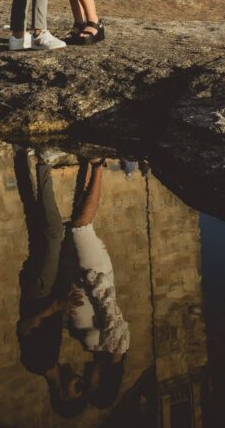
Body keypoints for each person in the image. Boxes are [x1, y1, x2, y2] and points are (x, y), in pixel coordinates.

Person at [14, 147, 87, 418]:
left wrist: (57, 305)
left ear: (62, 394)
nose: (78, 378)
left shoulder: (38, 363)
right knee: (37, 228)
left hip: (39, 291)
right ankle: (21, 156)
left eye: (77, 387)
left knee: (54, 233)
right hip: (44, 289)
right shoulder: (51, 358)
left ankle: (43, 163)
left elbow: (25, 325)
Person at [64, 159, 130, 409]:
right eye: (90, 386)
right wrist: (92, 278)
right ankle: (99, 165)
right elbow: (109, 307)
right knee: (81, 226)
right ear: (102, 382)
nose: (86, 381)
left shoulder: (98, 353)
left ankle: (88, 164)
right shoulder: (114, 351)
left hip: (83, 277)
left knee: (76, 220)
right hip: (94, 275)